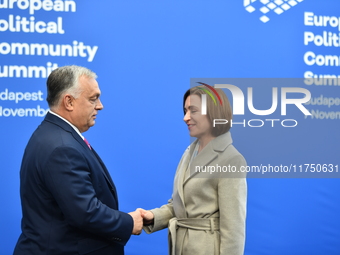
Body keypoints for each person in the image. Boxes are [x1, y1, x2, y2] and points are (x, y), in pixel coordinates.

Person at [13, 65, 143, 255]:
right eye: (93, 99)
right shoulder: (61, 146)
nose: (100, 105)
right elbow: (85, 212)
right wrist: (129, 222)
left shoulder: (54, 134)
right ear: (69, 102)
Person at [140, 84, 247, 255]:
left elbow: (234, 228)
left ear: (213, 112)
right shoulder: (189, 152)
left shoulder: (231, 159)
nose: (186, 117)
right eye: (185, 111)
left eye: (193, 110)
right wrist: (153, 216)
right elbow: (180, 206)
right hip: (181, 247)